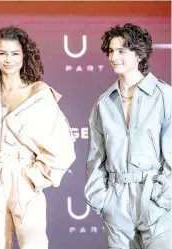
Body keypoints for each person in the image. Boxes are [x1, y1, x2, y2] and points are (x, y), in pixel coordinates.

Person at [0, 26, 76, 249]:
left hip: (25, 178)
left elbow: (63, 147)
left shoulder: (40, 95)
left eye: (15, 53)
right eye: (3, 53)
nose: (9, 59)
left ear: (25, 57)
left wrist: (33, 177)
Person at [84, 23, 172, 249]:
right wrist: (102, 201)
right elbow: (96, 157)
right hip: (116, 202)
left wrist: (163, 199)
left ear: (139, 54)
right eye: (111, 51)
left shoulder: (164, 96)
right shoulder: (103, 103)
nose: (114, 57)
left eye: (122, 51)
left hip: (156, 200)